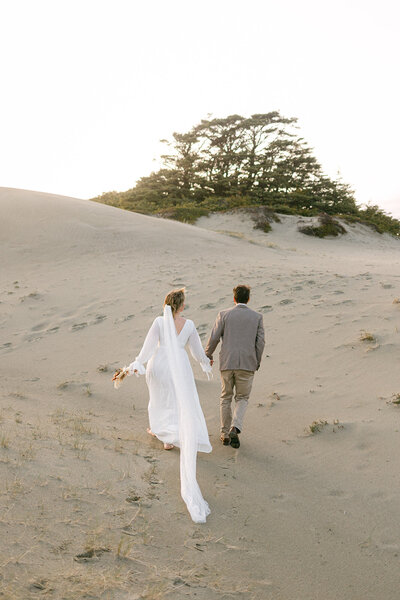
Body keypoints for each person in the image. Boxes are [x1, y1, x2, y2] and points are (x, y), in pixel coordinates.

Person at [114, 288, 212, 523]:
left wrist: (137, 363)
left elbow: (147, 348)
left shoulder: (159, 322)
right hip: (179, 367)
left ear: (167, 304)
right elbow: (197, 351)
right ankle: (169, 436)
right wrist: (205, 363)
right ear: (181, 306)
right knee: (178, 402)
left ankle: (165, 436)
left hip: (159, 366)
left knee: (158, 401)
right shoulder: (188, 325)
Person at [205, 285, 265, 449]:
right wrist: (256, 361)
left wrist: (208, 354)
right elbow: (260, 343)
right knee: (242, 398)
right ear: (248, 298)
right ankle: (235, 427)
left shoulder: (224, 315)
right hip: (247, 364)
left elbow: (214, 337)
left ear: (234, 298)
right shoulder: (257, 317)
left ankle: (225, 434)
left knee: (225, 397)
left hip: (227, 362)